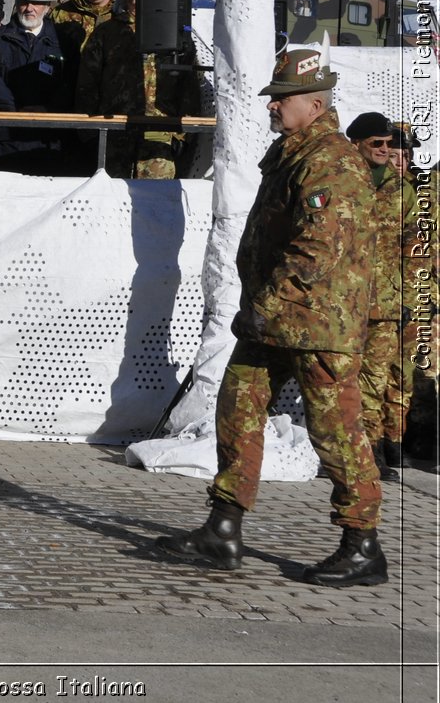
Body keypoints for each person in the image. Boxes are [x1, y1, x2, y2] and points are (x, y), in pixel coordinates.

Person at [156, 49, 384, 587]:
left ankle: (362, 544)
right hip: (276, 319)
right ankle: (224, 528)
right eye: (274, 97)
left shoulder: (331, 159)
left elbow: (316, 251)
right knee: (237, 406)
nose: (274, 106)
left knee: (335, 431)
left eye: (283, 98)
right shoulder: (293, 151)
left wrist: (265, 305)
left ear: (316, 102)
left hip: (318, 324)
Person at [73, 0, 201, 178]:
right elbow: (87, 85)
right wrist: (88, 132)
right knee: (112, 202)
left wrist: (183, 136)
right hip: (114, 136)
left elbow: (189, 88)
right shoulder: (106, 33)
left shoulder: (177, 38)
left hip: (158, 140)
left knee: (155, 205)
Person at [345, 112, 420, 478]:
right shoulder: (341, 179)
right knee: (340, 379)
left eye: (389, 144)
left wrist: (409, 297)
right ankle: (343, 449)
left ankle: (370, 450)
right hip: (343, 301)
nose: (385, 150)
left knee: (375, 380)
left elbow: (412, 246)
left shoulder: (400, 188)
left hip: (385, 304)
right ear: (356, 143)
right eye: (377, 144)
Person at [0, 0, 69, 172]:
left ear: (48, 6)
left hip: (47, 137)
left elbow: (71, 82)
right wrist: (15, 111)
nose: (29, 8)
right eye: (24, 1)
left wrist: (46, 109)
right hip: (5, 136)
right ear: (16, 3)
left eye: (36, 2)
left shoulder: (64, 41)